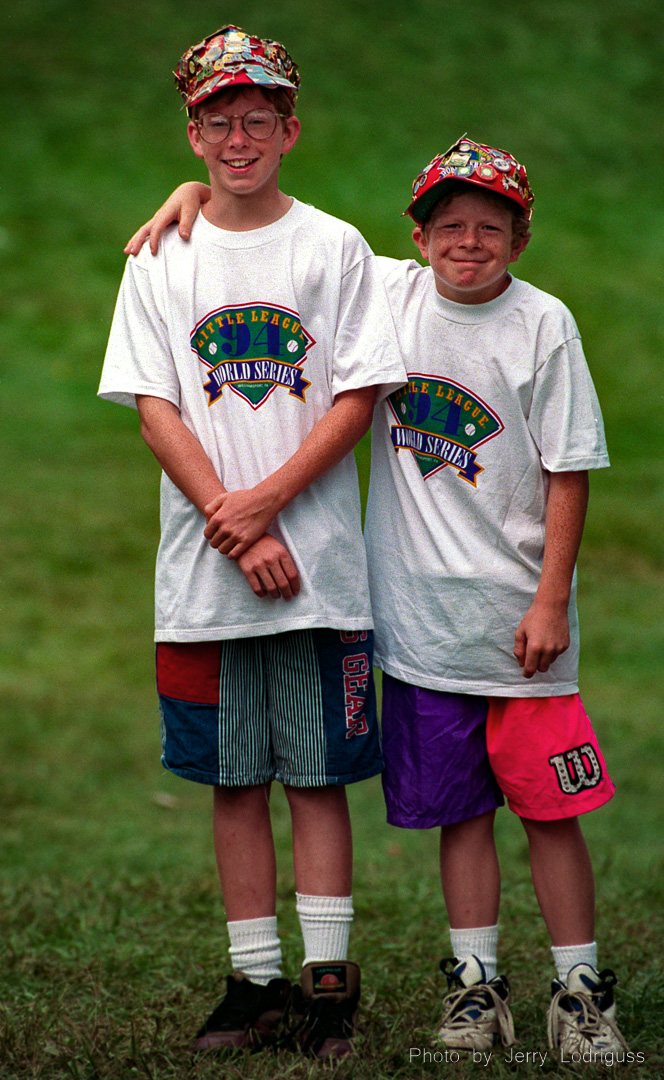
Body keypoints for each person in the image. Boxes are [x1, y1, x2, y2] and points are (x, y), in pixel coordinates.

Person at [125, 138, 629, 1060]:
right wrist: (195, 189)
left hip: (522, 627)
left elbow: (570, 469)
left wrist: (554, 595)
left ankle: (579, 987)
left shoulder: (543, 321)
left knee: (550, 815)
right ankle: (475, 987)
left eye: (490, 227)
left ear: (521, 235)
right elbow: (263, 226)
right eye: (449, 226)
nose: (467, 243)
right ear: (419, 235)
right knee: (459, 814)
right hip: (419, 634)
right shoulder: (389, 289)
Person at [99, 24, 405, 1061]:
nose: (241, 137)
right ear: (193, 135)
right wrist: (232, 531)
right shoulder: (160, 256)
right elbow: (154, 408)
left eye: (259, 118)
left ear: (291, 128)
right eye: (220, 119)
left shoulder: (333, 248)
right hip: (204, 576)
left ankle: (327, 983)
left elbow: (357, 395)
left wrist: (262, 505)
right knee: (234, 781)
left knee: (316, 778)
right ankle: (253, 981)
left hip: (317, 573)